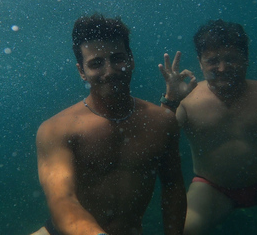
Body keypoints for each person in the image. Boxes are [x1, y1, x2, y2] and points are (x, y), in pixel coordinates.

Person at [32, 14, 186, 235]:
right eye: (96, 63)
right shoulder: (55, 130)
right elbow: (61, 199)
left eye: (117, 59)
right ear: (81, 72)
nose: (110, 71)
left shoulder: (162, 122)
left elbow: (173, 187)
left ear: (131, 60)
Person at [158, 19, 257, 235]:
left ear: (246, 59)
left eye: (231, 59)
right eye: (213, 61)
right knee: (179, 230)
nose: (223, 68)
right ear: (200, 62)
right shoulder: (186, 101)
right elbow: (156, 142)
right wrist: (171, 101)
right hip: (211, 189)